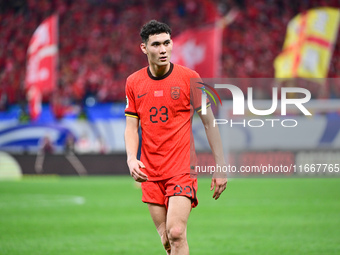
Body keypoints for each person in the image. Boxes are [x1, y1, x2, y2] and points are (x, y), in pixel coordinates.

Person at [124, 20, 227, 255]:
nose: (163, 49)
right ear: (144, 48)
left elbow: (209, 122)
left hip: (181, 168)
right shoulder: (133, 82)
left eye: (167, 43)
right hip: (149, 171)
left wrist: (220, 166)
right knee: (167, 240)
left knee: (177, 232)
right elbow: (131, 127)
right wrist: (132, 158)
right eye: (156, 44)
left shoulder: (190, 78)